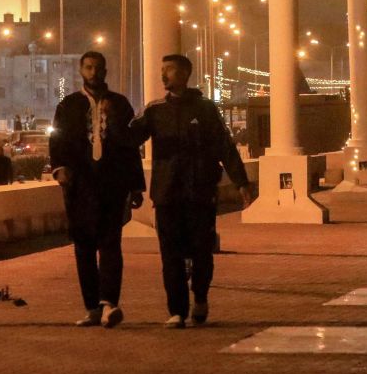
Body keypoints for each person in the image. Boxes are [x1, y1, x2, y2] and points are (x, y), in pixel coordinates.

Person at [128, 54, 251, 329]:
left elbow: (225, 146)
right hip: (166, 193)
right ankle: (177, 311)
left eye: (169, 70)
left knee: (201, 251)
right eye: (162, 70)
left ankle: (201, 296)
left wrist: (241, 181)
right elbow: (129, 138)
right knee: (170, 254)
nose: (163, 75)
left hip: (200, 192)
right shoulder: (155, 110)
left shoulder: (205, 109)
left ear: (184, 74)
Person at [50, 51, 146, 328]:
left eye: (98, 68)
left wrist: (135, 186)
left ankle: (109, 303)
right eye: (89, 67)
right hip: (79, 185)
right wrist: (60, 169)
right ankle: (91, 307)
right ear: (81, 70)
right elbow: (57, 141)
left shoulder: (120, 104)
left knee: (110, 244)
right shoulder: (69, 105)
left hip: (112, 184)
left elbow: (130, 147)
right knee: (83, 246)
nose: (93, 72)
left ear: (105, 71)